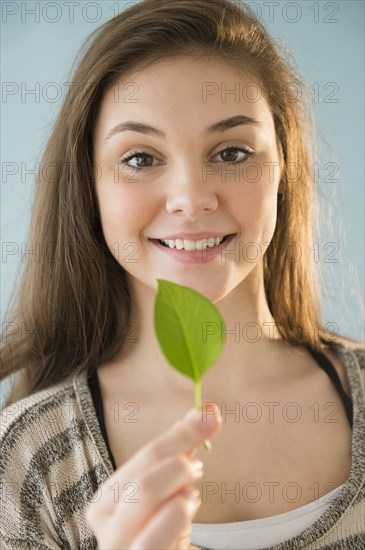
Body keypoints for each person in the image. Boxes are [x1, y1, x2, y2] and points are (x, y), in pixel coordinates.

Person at [0, 0, 364, 548]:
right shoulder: (24, 462)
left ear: (284, 169)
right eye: (140, 159)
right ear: (89, 189)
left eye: (234, 152)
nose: (192, 199)